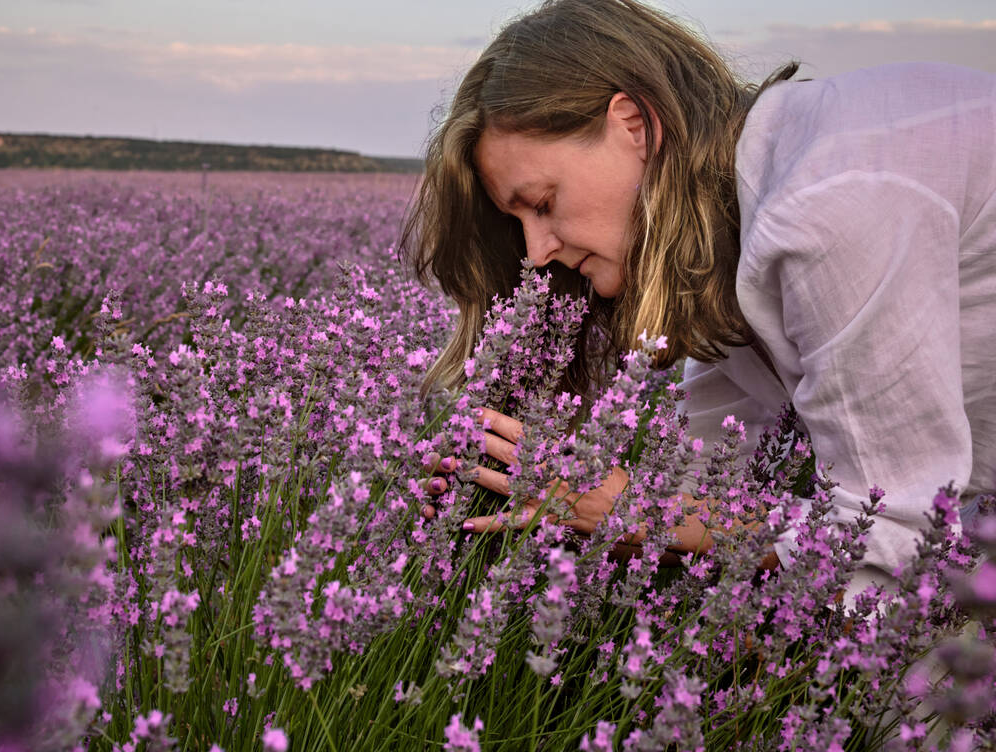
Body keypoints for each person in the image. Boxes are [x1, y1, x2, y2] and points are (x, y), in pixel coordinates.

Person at [400, 0, 996, 593]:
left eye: (544, 202)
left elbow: (885, 533)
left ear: (633, 124)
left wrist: (631, 511)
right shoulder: (729, 238)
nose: (533, 252)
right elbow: (708, 483)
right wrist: (529, 495)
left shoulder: (825, 208)